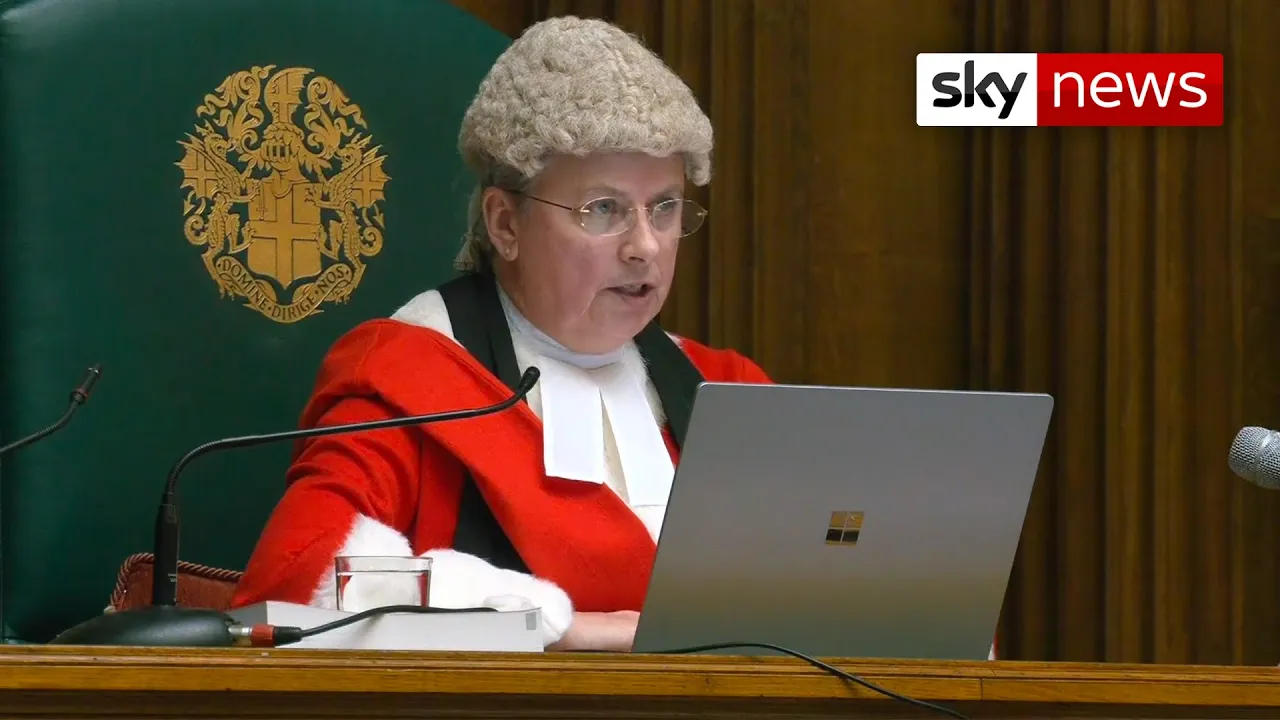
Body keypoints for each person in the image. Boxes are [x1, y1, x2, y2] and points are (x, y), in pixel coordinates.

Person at [230, 15, 772, 652]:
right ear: (505, 224)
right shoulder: (407, 377)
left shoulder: (726, 390)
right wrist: (553, 627)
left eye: (665, 207)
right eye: (603, 209)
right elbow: (301, 580)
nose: (645, 246)